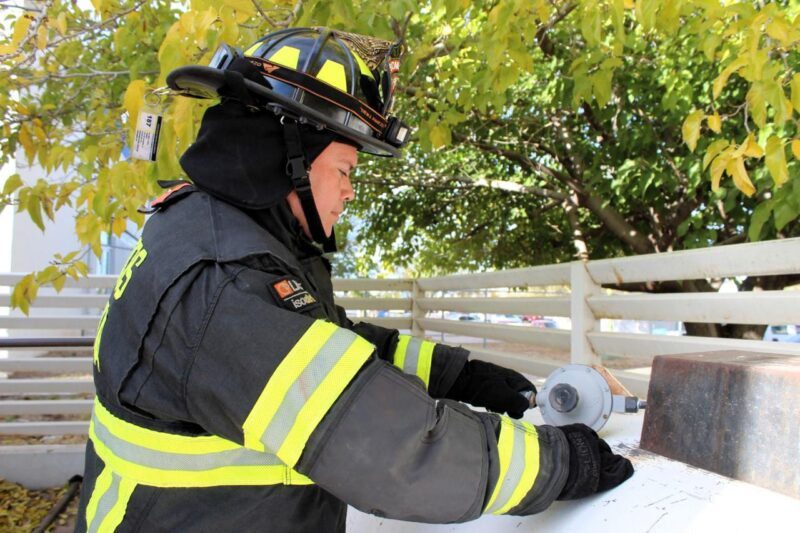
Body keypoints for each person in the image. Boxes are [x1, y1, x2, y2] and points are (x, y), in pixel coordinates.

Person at [75, 27, 633, 532]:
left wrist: (462, 377)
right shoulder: (224, 287)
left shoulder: (221, 232)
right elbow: (397, 454)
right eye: (344, 170)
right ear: (286, 156)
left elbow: (327, 351)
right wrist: (561, 461)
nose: (350, 191)